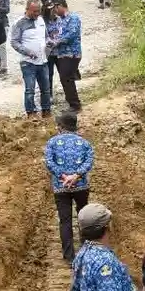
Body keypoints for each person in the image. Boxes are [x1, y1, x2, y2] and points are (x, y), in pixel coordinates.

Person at [44, 111, 93, 261]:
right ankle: (86, 250)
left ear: (61, 126)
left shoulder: (52, 142)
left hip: (61, 186)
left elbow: (49, 162)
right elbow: (89, 161)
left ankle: (69, 256)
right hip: (81, 186)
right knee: (83, 217)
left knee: (65, 221)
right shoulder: (85, 143)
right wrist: (76, 176)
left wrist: (63, 177)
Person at [10, 0, 52, 119]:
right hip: (28, 62)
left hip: (43, 61)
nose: (37, 13)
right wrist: (28, 52)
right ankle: (31, 112)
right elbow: (14, 42)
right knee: (30, 89)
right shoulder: (19, 23)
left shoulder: (40, 20)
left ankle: (46, 110)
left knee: (46, 88)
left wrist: (49, 43)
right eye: (34, 11)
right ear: (27, 9)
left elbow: (46, 37)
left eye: (38, 11)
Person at [47, 0, 82, 112]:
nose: (55, 12)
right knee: (65, 78)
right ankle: (72, 102)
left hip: (72, 53)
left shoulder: (73, 18)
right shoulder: (60, 20)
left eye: (55, 9)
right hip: (62, 54)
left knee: (66, 78)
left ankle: (75, 105)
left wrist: (58, 41)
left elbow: (72, 34)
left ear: (60, 6)